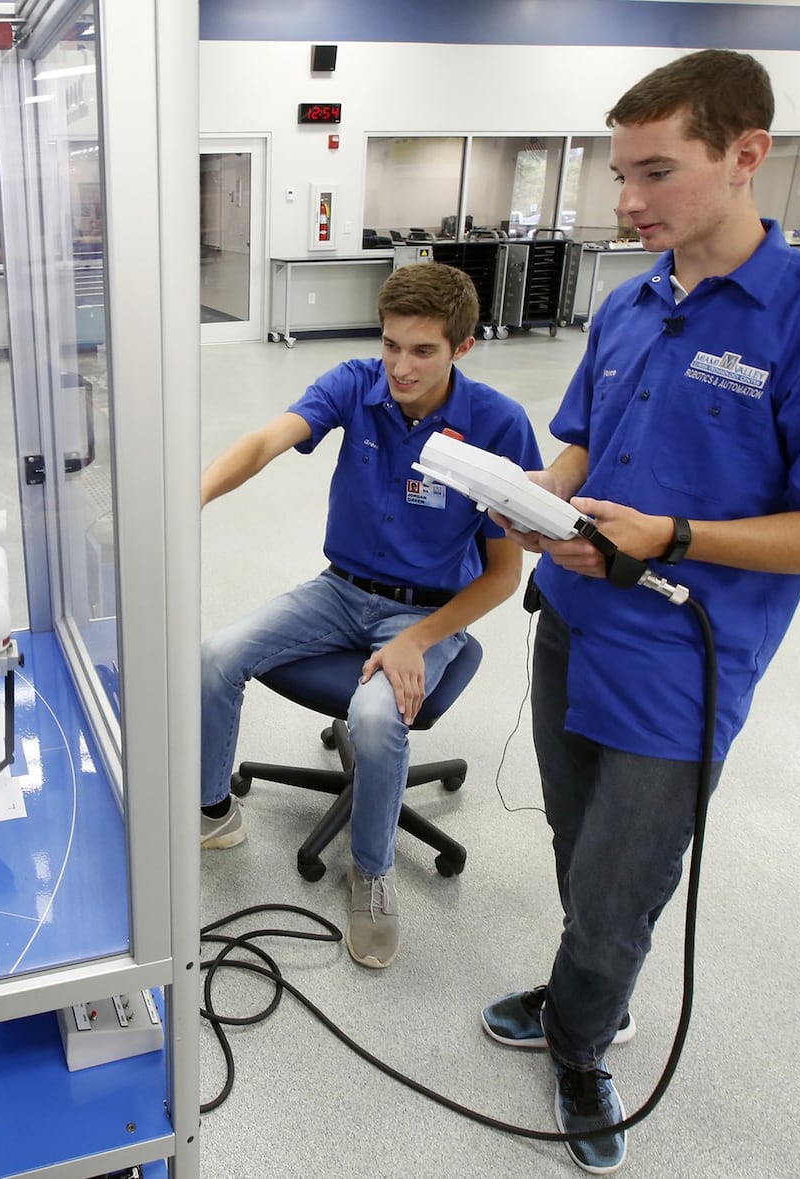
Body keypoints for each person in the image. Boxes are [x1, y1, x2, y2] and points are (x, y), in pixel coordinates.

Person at [477, 50, 800, 1174]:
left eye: (655, 173)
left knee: (624, 880)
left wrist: (676, 536)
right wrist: (542, 503)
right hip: (572, 619)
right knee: (581, 850)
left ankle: (581, 1042)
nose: (627, 202)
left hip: (683, 659)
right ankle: (589, 987)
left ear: (745, 156)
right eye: (619, 174)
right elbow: (577, 441)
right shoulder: (629, 305)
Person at [200, 263, 541, 969]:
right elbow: (268, 440)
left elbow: (505, 576)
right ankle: (213, 813)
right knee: (214, 657)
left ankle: (372, 871)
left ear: (463, 348)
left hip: (429, 611)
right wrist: (192, 494)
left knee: (379, 718)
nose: (400, 366)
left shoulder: (496, 426)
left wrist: (419, 637)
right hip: (339, 589)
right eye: (391, 344)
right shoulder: (357, 383)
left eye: (423, 351)